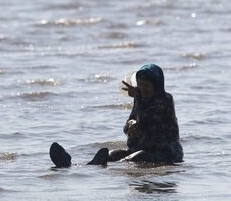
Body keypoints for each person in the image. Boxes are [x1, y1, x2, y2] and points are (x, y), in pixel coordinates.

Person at [49, 64, 183, 167]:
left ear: (157, 86)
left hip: (166, 153)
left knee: (134, 158)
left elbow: (144, 120)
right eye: (140, 85)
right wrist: (130, 124)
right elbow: (127, 128)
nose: (142, 88)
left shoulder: (165, 100)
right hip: (142, 148)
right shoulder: (141, 99)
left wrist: (137, 97)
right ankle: (75, 165)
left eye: (146, 85)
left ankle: (83, 168)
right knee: (112, 155)